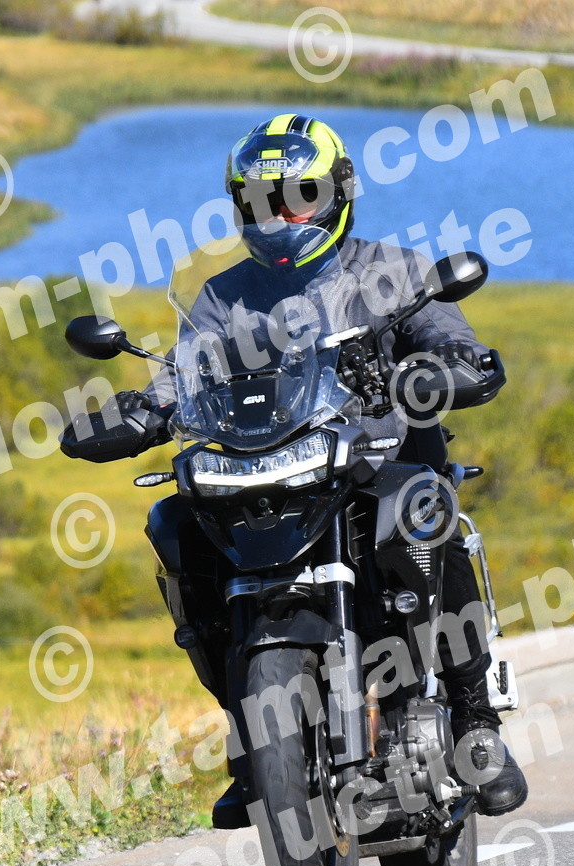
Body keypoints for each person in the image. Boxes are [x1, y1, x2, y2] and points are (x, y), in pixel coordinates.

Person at [63, 113, 527, 824]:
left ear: (338, 193)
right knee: (178, 523)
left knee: (426, 508)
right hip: (271, 472)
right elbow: (182, 373)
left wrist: (449, 363)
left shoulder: (393, 271)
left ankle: (474, 720)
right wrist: (142, 410)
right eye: (260, 200)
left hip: (379, 457)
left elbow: (444, 332)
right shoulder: (223, 298)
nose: (279, 215)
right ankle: (252, 737)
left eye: (299, 196)